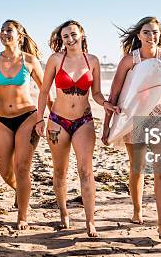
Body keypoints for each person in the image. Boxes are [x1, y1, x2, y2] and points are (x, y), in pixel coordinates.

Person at [35, 20, 119, 238]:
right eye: (65, 36)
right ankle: (64, 213)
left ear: (82, 34)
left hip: (83, 121)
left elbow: (97, 93)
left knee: (86, 171)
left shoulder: (92, 61)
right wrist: (39, 119)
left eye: (73, 34)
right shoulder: (55, 59)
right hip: (57, 121)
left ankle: (90, 221)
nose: (70, 39)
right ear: (61, 39)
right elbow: (44, 92)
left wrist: (106, 104)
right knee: (60, 170)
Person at [101, 16, 161, 240]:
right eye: (146, 32)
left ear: (159, 34)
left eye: (155, 32)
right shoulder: (129, 60)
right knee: (138, 168)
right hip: (134, 117)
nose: (151, 36)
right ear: (138, 35)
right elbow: (114, 95)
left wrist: (153, 80)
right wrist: (106, 127)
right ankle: (137, 210)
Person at [0, 20, 49, 230]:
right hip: (1, 120)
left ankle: (22, 215)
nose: (4, 33)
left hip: (27, 117)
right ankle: (21, 191)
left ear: (20, 35)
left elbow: (45, 91)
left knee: (22, 167)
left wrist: (46, 117)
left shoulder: (30, 60)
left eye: (9, 30)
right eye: (2, 30)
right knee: (5, 170)